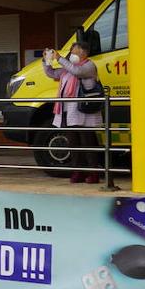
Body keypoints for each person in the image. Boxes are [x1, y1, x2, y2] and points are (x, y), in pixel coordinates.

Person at [40, 42, 103, 184]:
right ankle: (78, 172)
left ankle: (94, 173)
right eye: (71, 52)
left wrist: (60, 58)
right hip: (68, 112)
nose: (72, 54)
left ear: (84, 53)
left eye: (74, 51)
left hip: (84, 112)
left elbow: (77, 72)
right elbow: (51, 73)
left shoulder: (88, 66)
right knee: (73, 143)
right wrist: (46, 60)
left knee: (88, 143)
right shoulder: (67, 69)